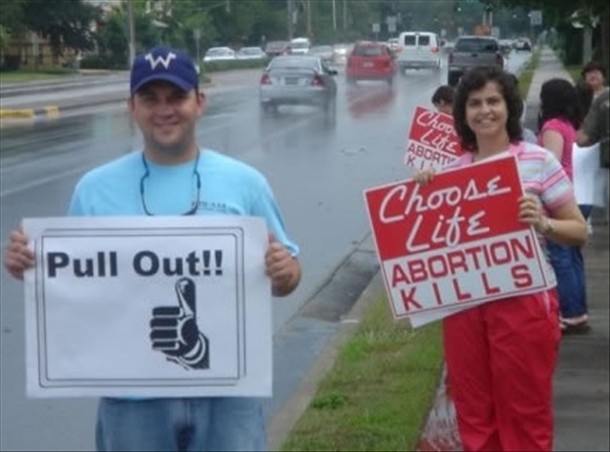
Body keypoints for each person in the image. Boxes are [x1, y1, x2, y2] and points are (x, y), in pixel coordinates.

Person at [3, 46, 302, 452]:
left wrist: (285, 271)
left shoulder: (245, 184)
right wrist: (28, 264)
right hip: (132, 401)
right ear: (131, 107)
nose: (164, 110)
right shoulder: (94, 190)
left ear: (199, 102)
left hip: (228, 395)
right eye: (150, 99)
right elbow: (69, 285)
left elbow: (287, 277)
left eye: (176, 97)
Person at [414, 66, 587, 451]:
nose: (484, 110)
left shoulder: (538, 159)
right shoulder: (449, 172)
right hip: (465, 306)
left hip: (523, 303)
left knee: (525, 413)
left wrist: (542, 223)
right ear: (463, 113)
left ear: (509, 107)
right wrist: (424, 192)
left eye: (493, 101)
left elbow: (579, 230)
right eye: (474, 103)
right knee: (474, 416)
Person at [537, 78, 591, 333]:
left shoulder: (551, 127)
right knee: (573, 256)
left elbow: (550, 165)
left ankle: (569, 312)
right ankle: (579, 310)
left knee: (560, 257)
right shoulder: (568, 124)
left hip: (557, 199)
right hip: (575, 192)